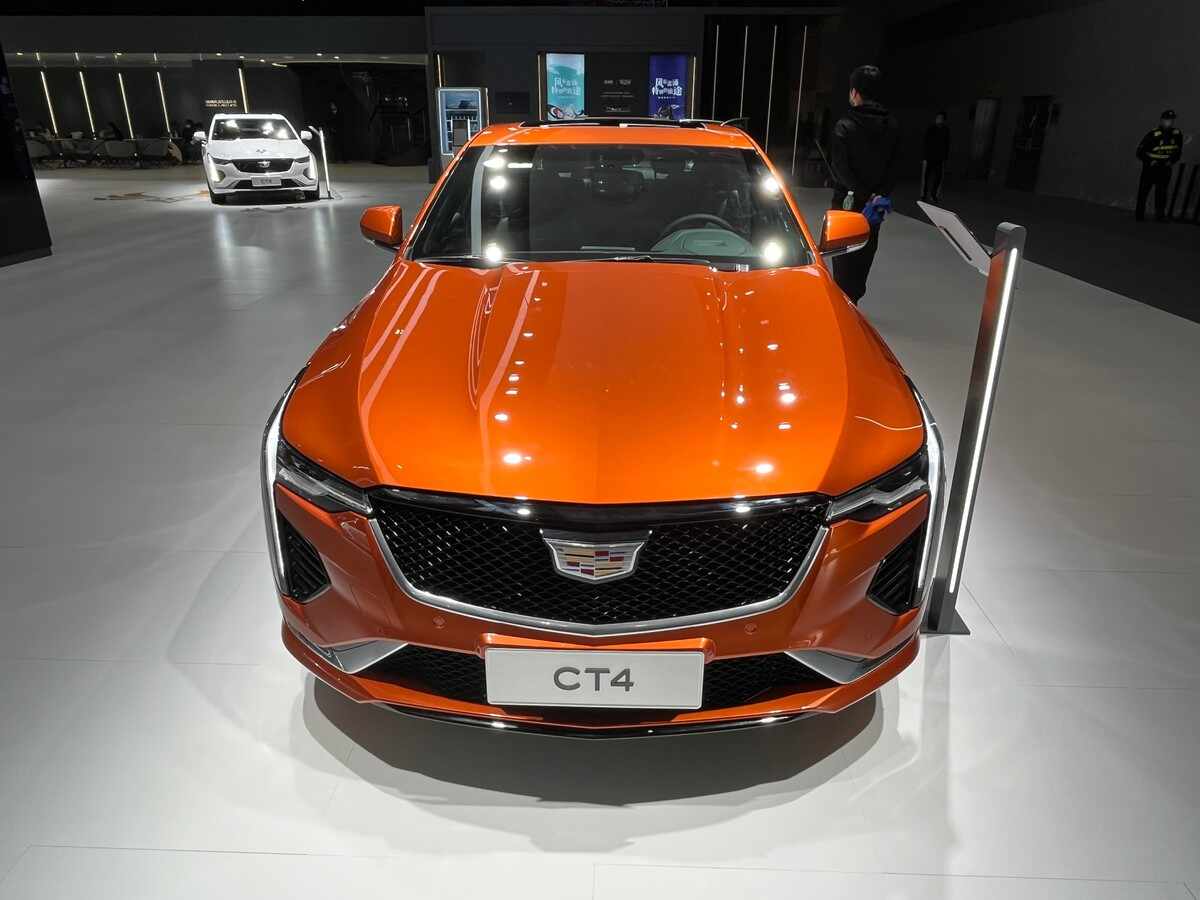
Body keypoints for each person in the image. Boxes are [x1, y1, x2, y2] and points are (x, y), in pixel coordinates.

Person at [828, 64, 901, 305]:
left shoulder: (845, 125)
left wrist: (862, 193)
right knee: (863, 261)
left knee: (842, 264)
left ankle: (843, 310)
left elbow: (840, 169)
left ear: (855, 92)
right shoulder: (892, 126)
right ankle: (854, 304)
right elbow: (895, 168)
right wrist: (877, 195)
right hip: (875, 208)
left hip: (846, 206)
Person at [1135, 109, 1182, 221]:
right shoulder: (1153, 134)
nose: (1169, 122)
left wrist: (1171, 161)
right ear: (1161, 120)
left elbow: (1178, 151)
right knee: (1144, 191)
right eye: (1167, 120)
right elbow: (1140, 152)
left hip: (1165, 168)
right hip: (1151, 168)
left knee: (1162, 192)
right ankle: (1139, 215)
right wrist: (1150, 161)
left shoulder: (1177, 134)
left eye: (1171, 120)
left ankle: (1160, 215)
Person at [922, 111, 950, 201]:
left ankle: (933, 195)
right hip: (930, 156)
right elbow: (926, 142)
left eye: (941, 118)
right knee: (926, 177)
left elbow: (947, 143)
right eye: (938, 118)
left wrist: (945, 157)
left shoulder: (946, 130)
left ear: (944, 120)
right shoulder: (931, 128)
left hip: (939, 158)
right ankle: (924, 195)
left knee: (938, 177)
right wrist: (925, 156)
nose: (939, 120)